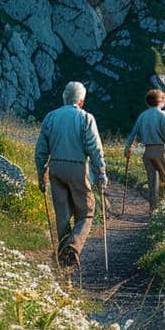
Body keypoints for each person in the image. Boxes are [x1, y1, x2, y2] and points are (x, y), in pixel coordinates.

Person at [35, 81, 107, 269]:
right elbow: (95, 149)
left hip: (56, 169)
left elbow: (41, 150)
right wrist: (101, 174)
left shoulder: (50, 117)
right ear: (81, 101)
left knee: (62, 215)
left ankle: (62, 262)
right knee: (86, 212)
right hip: (78, 167)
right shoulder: (86, 118)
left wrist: (40, 174)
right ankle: (73, 247)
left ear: (64, 98)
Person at [125, 89, 165, 213]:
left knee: (152, 182)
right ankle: (163, 210)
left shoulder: (143, 115)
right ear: (160, 101)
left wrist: (127, 148)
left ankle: (152, 209)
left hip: (147, 152)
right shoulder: (163, 115)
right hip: (161, 150)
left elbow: (133, 134)